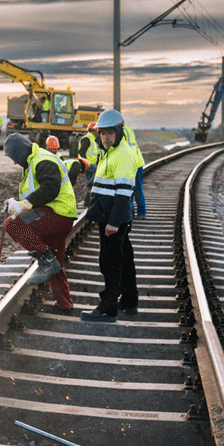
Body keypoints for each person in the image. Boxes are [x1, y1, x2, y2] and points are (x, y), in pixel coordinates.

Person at [3, 132, 77, 315]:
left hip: (57, 215)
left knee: (11, 225)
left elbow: (50, 188)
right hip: (59, 216)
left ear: (20, 152)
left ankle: (45, 257)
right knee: (56, 263)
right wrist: (17, 205)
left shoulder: (42, 160)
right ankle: (65, 305)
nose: (14, 162)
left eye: (13, 157)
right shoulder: (34, 163)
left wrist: (23, 205)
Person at [80, 109, 140, 323]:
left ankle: (107, 308)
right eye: (102, 133)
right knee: (124, 259)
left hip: (115, 221)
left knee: (110, 263)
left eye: (109, 133)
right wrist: (99, 214)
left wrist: (113, 223)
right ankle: (129, 301)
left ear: (119, 131)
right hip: (110, 217)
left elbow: (123, 194)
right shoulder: (111, 152)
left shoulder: (122, 155)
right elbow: (105, 188)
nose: (105, 138)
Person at [122, 123, 146, 219]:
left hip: (130, 163)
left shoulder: (120, 131)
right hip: (137, 161)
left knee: (129, 189)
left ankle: (131, 213)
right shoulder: (128, 129)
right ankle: (141, 213)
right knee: (138, 189)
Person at [78, 122, 101, 207]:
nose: (98, 134)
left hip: (89, 164)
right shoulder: (87, 139)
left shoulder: (92, 140)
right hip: (87, 164)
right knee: (97, 172)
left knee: (91, 182)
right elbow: (81, 151)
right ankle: (89, 196)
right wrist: (85, 162)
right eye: (96, 131)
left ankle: (87, 202)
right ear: (92, 131)